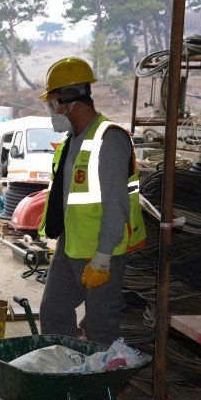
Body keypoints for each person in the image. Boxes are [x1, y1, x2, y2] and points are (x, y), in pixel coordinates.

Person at [37, 57, 146, 345]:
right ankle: (62, 370)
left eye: (52, 103)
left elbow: (116, 205)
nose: (51, 111)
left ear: (70, 101)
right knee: (53, 310)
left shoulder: (109, 140)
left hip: (101, 251)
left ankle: (101, 386)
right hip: (70, 246)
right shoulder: (72, 140)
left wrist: (102, 258)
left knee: (100, 324)